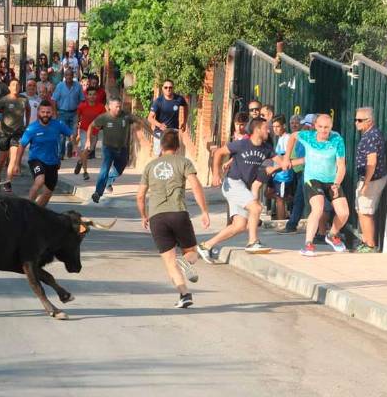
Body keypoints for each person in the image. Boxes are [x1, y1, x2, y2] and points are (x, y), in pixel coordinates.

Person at [137, 129, 211, 308]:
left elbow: (140, 196)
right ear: (178, 147)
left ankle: (184, 294)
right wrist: (204, 211)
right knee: (191, 253)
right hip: (178, 213)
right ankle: (185, 262)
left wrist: (144, 215)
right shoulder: (183, 162)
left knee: (169, 262)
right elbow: (195, 186)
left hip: (157, 217)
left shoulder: (150, 166)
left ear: (161, 146)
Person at [196, 118, 278, 260]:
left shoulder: (266, 148)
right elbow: (218, 153)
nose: (269, 130)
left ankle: (205, 246)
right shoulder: (241, 144)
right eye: (266, 128)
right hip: (233, 183)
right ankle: (252, 242)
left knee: (239, 225)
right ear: (257, 129)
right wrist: (216, 174)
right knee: (256, 208)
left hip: (242, 186)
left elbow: (283, 161)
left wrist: (302, 160)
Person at [283, 114, 350, 256]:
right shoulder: (308, 136)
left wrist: (337, 183)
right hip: (312, 178)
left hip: (332, 180)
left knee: (344, 213)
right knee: (318, 208)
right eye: (320, 127)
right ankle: (308, 244)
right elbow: (293, 136)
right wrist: (286, 157)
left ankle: (331, 235)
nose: (324, 130)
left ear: (331, 127)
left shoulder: (337, 140)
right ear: (315, 126)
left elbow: (341, 165)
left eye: (327, 127)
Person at [88, 98, 149, 203]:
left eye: (120, 106)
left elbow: (139, 121)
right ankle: (98, 193)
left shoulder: (126, 115)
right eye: (116, 106)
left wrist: (151, 133)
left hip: (122, 149)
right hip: (108, 148)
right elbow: (91, 125)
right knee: (105, 169)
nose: (118, 108)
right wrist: (88, 140)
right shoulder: (104, 117)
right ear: (109, 107)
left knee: (119, 170)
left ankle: (108, 181)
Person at [15, 101, 72, 206]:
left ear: (52, 113)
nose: (45, 114)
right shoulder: (32, 128)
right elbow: (22, 145)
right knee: (40, 180)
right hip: (36, 160)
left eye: (48, 112)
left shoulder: (58, 124)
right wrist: (16, 164)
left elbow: (71, 135)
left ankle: (37, 213)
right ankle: (27, 207)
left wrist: (75, 143)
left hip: (53, 162)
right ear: (38, 113)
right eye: (43, 112)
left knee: (48, 193)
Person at [353, 107, 387, 253]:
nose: (356, 123)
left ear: (369, 121)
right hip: (370, 179)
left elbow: (371, 162)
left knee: (365, 211)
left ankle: (370, 244)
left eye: (360, 120)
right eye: (356, 119)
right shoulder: (370, 134)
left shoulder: (371, 136)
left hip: (372, 180)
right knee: (362, 209)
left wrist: (366, 184)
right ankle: (366, 242)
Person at [0, 78, 29, 192]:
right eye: (13, 85)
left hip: (17, 132)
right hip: (4, 132)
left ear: (20, 86)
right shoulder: (4, 100)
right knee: (2, 159)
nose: (15, 87)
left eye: (17, 85)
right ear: (9, 87)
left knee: (14, 156)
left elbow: (28, 109)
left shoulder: (24, 99)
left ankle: (7, 182)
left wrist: (27, 123)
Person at [279, 114, 308, 233]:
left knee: (299, 198)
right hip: (296, 171)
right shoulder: (294, 137)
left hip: (304, 171)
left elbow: (304, 157)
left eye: (297, 122)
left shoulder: (303, 138)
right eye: (292, 123)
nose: (294, 125)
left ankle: (291, 225)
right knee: (298, 198)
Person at [148, 79, 188, 156]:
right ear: (162, 88)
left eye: (170, 87)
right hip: (160, 132)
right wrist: (160, 125)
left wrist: (184, 122)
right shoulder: (158, 101)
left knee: (174, 155)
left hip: (173, 131)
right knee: (159, 155)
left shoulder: (179, 99)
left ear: (173, 88)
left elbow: (186, 106)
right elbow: (150, 118)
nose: (168, 89)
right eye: (166, 87)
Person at [52, 68, 85, 159]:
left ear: (73, 76)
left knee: (73, 134)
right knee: (62, 135)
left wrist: (80, 114)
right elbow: (54, 100)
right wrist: (54, 113)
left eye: (70, 75)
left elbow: (82, 100)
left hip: (74, 113)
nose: (68, 77)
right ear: (64, 76)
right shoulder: (60, 86)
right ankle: (61, 154)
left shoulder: (78, 86)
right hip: (62, 113)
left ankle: (70, 148)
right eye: (67, 75)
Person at [74, 87, 106, 180]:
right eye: (90, 94)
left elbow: (104, 118)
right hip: (84, 131)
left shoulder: (100, 107)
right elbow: (77, 116)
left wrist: (101, 126)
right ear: (86, 96)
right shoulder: (82, 106)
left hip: (94, 132)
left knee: (89, 151)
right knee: (86, 148)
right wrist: (76, 124)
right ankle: (85, 172)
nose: (92, 96)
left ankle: (80, 161)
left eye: (94, 94)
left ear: (97, 96)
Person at [270, 115, 293, 220]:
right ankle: (285, 214)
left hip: (283, 175)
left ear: (283, 126)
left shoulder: (287, 138)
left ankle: (281, 222)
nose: (275, 129)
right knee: (272, 194)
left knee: (280, 199)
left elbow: (285, 157)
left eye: (277, 126)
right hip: (277, 174)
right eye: (273, 126)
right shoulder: (280, 138)